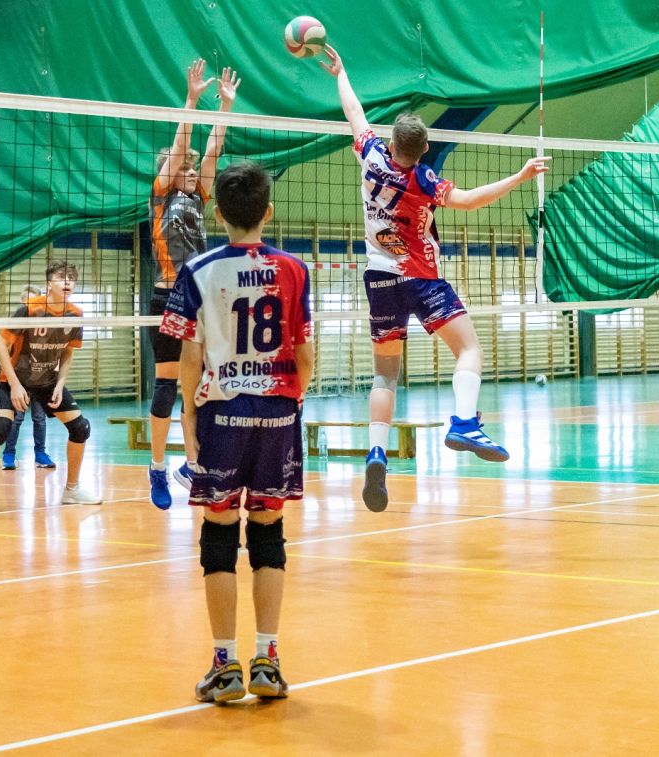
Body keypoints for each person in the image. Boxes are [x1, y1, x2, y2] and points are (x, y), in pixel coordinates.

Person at [319, 45, 550, 513]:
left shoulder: (371, 157)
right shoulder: (424, 179)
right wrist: (520, 176)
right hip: (421, 277)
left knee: (385, 375)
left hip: (379, 279)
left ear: (391, 142)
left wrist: (341, 72)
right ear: (423, 148)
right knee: (469, 349)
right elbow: (470, 201)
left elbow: (354, 114)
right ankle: (464, 422)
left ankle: (377, 452)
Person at [160, 161, 313, 703]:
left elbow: (190, 356)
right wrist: (291, 401)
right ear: (267, 211)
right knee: (269, 530)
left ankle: (224, 666)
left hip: (222, 416)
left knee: (219, 533)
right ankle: (267, 660)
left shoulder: (198, 270)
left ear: (217, 213)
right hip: (277, 415)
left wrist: (188, 416)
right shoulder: (295, 270)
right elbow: (304, 353)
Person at [147, 59, 240, 510]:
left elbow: (212, 151)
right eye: (181, 166)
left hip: (200, 298)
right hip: (167, 294)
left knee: (202, 384)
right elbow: (184, 146)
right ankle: (157, 467)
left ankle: (193, 465)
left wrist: (224, 107)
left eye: (189, 168)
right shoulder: (162, 192)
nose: (189, 170)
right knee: (166, 385)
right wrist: (190, 100)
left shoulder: (199, 195)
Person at [0, 261, 101, 515]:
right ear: (49, 283)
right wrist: (15, 385)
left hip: (47, 380)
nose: (67, 281)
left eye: (72, 278)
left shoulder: (75, 314)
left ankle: (71, 490)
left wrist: (60, 383)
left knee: (80, 428)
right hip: (13, 379)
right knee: (0, 429)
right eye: (61, 277)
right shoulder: (29, 309)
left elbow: (68, 352)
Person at [1, 284, 55, 471]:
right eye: (27, 301)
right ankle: (9, 454)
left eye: (34, 300)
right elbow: (3, 349)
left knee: (39, 418)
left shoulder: (47, 324)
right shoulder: (15, 325)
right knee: (16, 418)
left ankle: (40, 454)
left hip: (40, 378)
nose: (30, 304)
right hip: (19, 378)